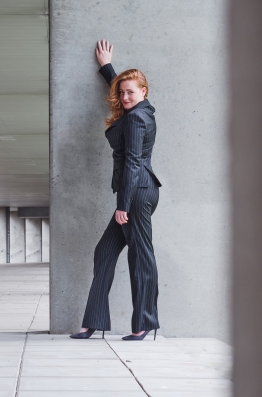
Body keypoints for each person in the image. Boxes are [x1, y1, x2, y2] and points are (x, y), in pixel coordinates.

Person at [70, 39, 162, 341]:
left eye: (130, 92)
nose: (124, 97)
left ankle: (144, 323)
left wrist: (123, 204)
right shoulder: (139, 110)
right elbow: (124, 90)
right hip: (137, 190)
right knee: (105, 251)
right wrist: (108, 68)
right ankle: (94, 321)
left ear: (143, 92)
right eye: (121, 92)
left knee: (140, 257)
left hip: (135, 193)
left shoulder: (136, 119)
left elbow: (134, 163)